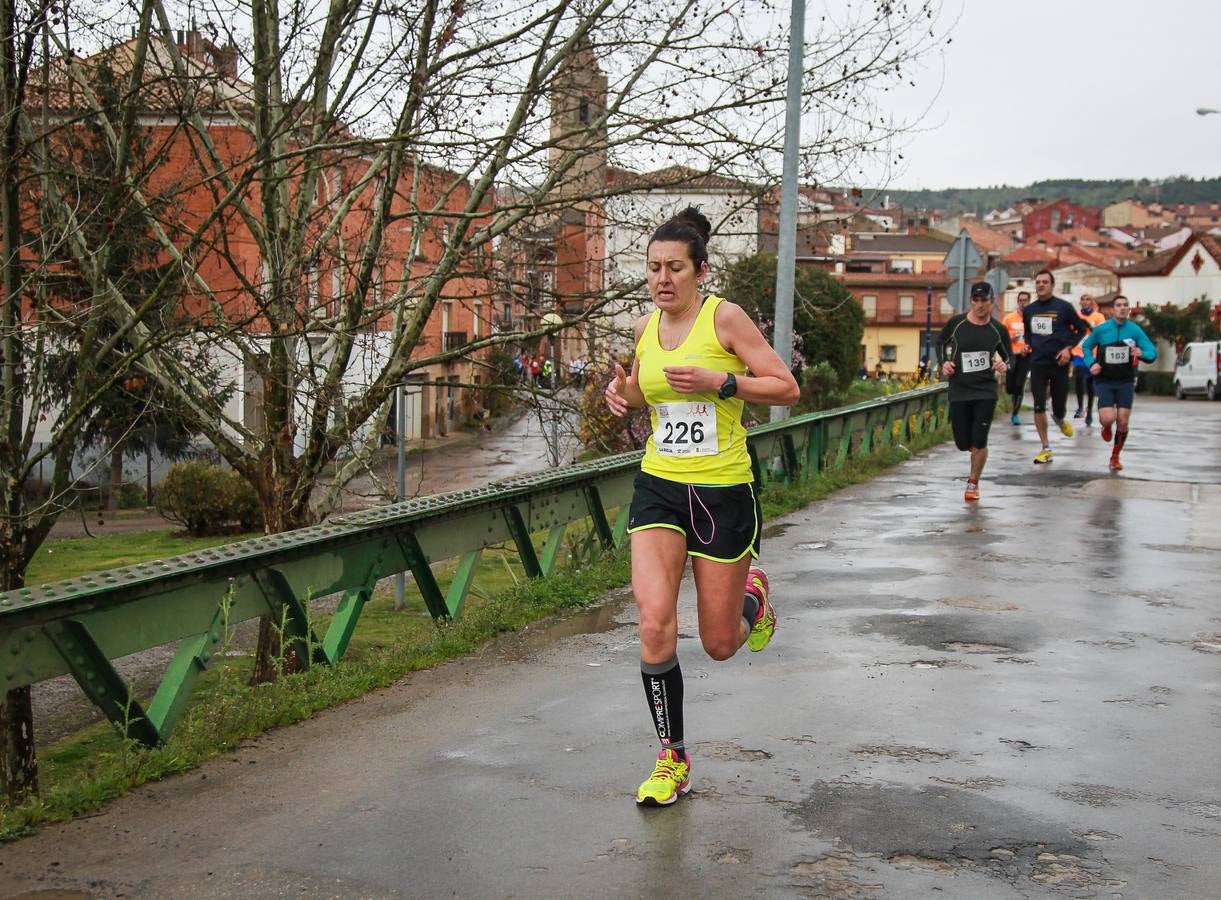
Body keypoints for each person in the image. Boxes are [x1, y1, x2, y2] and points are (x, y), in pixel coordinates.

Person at [603, 206, 800, 807]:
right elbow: (643, 391)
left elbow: (786, 386)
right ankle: (672, 759)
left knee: (718, 643)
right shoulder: (645, 328)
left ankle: (753, 598)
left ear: (700, 272)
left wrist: (722, 384)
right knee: (654, 619)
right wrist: (619, 393)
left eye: (675, 269)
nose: (663, 279)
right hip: (659, 484)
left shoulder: (726, 320)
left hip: (722, 492)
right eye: (654, 268)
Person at [937, 282, 1012, 501]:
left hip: (985, 391)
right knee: (963, 443)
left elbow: (1010, 356)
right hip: (960, 389)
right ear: (971, 301)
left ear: (992, 302)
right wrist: (944, 363)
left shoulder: (998, 330)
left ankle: (973, 482)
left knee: (980, 439)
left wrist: (1005, 365)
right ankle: (975, 453)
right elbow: (941, 342)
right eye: (976, 300)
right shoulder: (956, 323)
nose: (979, 305)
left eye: (984, 301)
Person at [1079, 294, 1157, 472]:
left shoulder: (1135, 330)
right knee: (1108, 418)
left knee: (1122, 421)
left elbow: (1151, 351)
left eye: (1125, 305)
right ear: (1113, 310)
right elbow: (1086, 346)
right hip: (1105, 380)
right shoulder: (1102, 329)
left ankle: (1115, 456)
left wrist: (1142, 353)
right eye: (1119, 305)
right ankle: (1106, 427)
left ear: (1128, 310)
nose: (1122, 308)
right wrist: (1092, 363)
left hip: (1125, 381)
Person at [1022, 269, 1093, 464]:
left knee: (1058, 406)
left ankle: (1060, 418)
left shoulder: (1064, 308)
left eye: (1045, 282)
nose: (1041, 285)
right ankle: (1045, 447)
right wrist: (1028, 345)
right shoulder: (1029, 310)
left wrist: (1068, 349)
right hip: (1037, 363)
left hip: (1059, 363)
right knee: (1038, 405)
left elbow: (1082, 329)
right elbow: (1028, 333)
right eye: (1038, 282)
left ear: (1052, 285)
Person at [1070, 293, 1106, 425]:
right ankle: (1080, 407)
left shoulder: (1099, 317)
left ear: (1092, 302)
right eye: (1082, 299)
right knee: (1079, 376)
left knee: (1090, 384)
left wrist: (1088, 327)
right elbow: (1070, 331)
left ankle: (1089, 410)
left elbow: (1101, 334)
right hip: (1078, 352)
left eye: (1087, 299)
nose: (1085, 302)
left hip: (1092, 354)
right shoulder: (1076, 317)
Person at [1001, 291, 1032, 425]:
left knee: (1020, 384)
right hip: (1011, 355)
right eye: (1020, 300)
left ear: (1029, 302)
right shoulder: (1009, 318)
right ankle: (1013, 400)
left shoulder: (1032, 319)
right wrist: (1010, 338)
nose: (1022, 302)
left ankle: (1015, 413)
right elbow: (1001, 337)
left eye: (1025, 300)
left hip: (1025, 355)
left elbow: (1037, 337)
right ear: (1017, 302)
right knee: (1010, 387)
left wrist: (1029, 346)